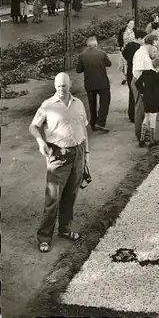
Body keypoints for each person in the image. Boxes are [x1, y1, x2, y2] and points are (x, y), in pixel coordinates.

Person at [29, 72, 89, 253]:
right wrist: (41, 142)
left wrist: (86, 153)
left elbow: (83, 130)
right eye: (58, 86)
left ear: (70, 84)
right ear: (55, 86)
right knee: (53, 199)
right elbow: (33, 126)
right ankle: (44, 236)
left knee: (71, 194)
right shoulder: (47, 106)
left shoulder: (78, 104)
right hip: (58, 155)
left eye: (64, 86)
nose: (61, 89)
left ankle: (65, 229)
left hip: (78, 153)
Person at [76, 36, 112, 132]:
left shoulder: (82, 55)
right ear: (96, 45)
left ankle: (93, 123)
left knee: (92, 104)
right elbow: (109, 64)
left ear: (87, 45)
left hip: (89, 83)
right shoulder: (102, 53)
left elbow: (78, 70)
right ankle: (100, 122)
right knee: (105, 102)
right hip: (102, 82)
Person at [135, 58, 159, 148]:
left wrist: (143, 92)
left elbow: (137, 83)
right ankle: (152, 140)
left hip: (146, 98)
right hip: (154, 100)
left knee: (146, 118)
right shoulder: (156, 76)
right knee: (152, 120)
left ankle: (141, 140)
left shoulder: (145, 73)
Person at [130, 33, 159, 141]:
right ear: (151, 43)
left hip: (143, 83)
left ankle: (144, 132)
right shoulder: (141, 53)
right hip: (140, 83)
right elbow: (139, 72)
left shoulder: (145, 52)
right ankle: (139, 134)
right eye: (156, 42)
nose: (156, 45)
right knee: (140, 109)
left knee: (144, 108)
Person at [122, 29, 147, 123]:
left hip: (129, 71)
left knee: (131, 94)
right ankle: (136, 115)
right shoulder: (140, 49)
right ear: (139, 38)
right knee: (137, 95)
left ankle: (131, 114)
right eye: (143, 38)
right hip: (136, 71)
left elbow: (124, 54)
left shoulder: (129, 45)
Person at [118, 19, 136, 85]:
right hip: (124, 48)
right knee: (123, 63)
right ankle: (125, 77)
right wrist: (121, 46)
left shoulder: (135, 30)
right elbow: (119, 39)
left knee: (130, 63)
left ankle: (130, 77)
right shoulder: (122, 30)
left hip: (132, 49)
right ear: (127, 24)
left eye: (133, 24)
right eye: (130, 24)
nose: (132, 25)